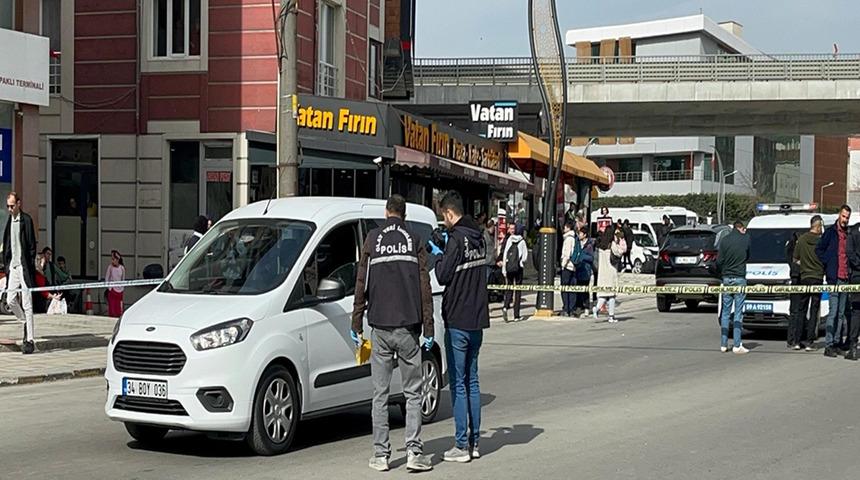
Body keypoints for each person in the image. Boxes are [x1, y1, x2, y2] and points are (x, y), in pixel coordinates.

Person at [351, 194, 433, 472]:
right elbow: (425, 288)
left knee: (380, 394)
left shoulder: (373, 238)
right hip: (409, 328)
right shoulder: (415, 240)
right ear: (404, 214)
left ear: (387, 213)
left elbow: (361, 281)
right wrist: (429, 327)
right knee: (412, 393)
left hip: (381, 327)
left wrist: (356, 322)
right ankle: (413, 452)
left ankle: (381, 454)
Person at [430, 190, 489, 463]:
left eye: (444, 216)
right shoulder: (479, 238)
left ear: (450, 213)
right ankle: (475, 443)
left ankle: (460, 444)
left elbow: (442, 276)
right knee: (473, 381)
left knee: (459, 384)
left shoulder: (456, 239)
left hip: (457, 320)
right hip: (477, 319)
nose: (444, 221)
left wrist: (439, 253)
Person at [3, 192, 37, 354]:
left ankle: (30, 339)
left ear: (18, 204)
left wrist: (29, 267)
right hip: (13, 267)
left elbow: (31, 246)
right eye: (8, 206)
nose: (9, 209)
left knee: (27, 302)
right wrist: (8, 264)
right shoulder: (9, 221)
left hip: (24, 268)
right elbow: (7, 244)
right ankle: (24, 321)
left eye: (12, 206)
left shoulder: (26, 220)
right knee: (10, 300)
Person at [816, 204, 852, 358]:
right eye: (843, 216)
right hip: (833, 276)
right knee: (833, 312)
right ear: (839, 215)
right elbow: (819, 250)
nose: (845, 219)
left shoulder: (849, 233)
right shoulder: (830, 233)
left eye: (847, 217)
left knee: (841, 313)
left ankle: (837, 342)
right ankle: (829, 344)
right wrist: (828, 261)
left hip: (845, 277)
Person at [717, 220, 751, 354]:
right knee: (738, 312)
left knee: (725, 312)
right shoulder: (746, 239)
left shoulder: (724, 240)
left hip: (726, 278)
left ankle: (723, 344)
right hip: (740, 278)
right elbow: (748, 255)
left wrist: (725, 269)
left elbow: (719, 260)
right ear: (741, 228)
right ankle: (737, 344)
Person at [791, 216, 824, 352]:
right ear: (818, 226)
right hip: (817, 278)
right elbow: (825, 257)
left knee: (801, 309)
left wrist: (804, 265)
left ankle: (797, 341)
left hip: (804, 277)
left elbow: (795, 259)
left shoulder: (802, 239)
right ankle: (810, 341)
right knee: (814, 309)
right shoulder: (821, 241)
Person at [593, 226, 625, 323]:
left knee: (603, 294)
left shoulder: (600, 245)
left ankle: (597, 309)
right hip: (610, 272)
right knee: (612, 295)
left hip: (602, 272)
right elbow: (619, 253)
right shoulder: (612, 244)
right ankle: (611, 316)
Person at [501, 223, 527, 322]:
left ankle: (505, 306)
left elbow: (505, 254)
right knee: (518, 291)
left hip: (509, 268)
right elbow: (524, 257)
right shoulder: (522, 242)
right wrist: (520, 262)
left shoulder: (509, 239)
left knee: (509, 288)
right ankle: (516, 315)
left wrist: (504, 268)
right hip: (518, 268)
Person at [560, 220, 579, 317]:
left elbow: (567, 254)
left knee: (564, 288)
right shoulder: (575, 238)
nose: (563, 229)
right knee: (572, 289)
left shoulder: (568, 239)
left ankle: (566, 308)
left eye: (564, 227)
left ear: (568, 227)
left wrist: (563, 265)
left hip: (567, 266)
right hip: (574, 266)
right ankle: (571, 309)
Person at [575, 226, 595, 317]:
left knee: (585, 291)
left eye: (580, 234)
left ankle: (586, 307)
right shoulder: (577, 243)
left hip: (586, 271)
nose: (579, 235)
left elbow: (591, 258)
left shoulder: (589, 245)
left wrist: (582, 257)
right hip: (578, 269)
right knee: (578, 290)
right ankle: (579, 307)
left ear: (585, 235)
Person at [105, 250, 126, 318]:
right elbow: (107, 278)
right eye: (112, 259)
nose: (112, 261)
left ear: (117, 259)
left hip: (119, 291)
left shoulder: (122, 268)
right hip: (112, 290)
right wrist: (109, 288)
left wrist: (122, 288)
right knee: (112, 308)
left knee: (119, 309)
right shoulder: (110, 267)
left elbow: (123, 279)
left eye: (113, 259)